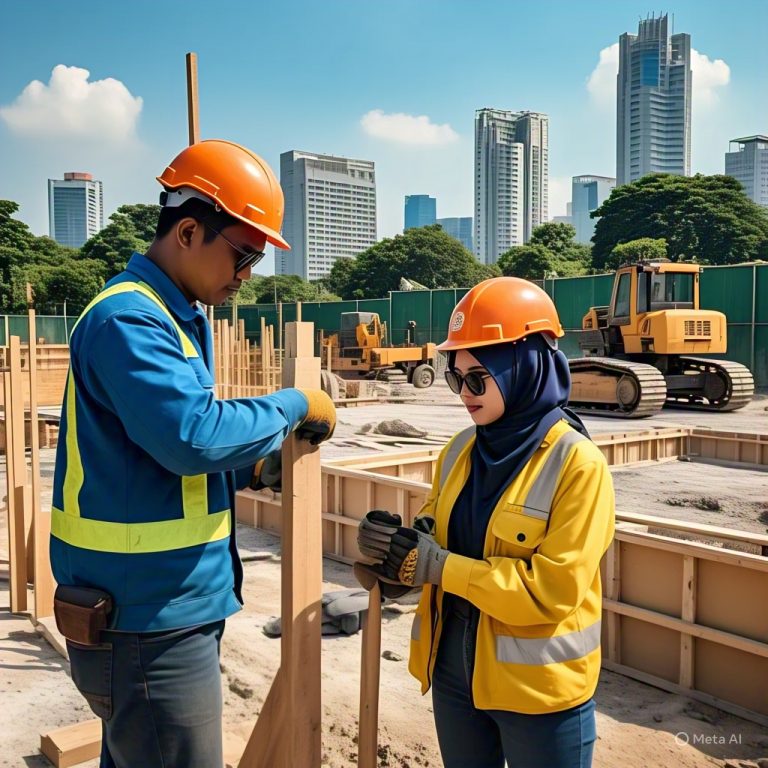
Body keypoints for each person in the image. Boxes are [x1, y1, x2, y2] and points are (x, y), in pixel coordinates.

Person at [50, 139, 336, 768]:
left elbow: (154, 459)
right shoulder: (131, 320)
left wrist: (254, 466)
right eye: (242, 254)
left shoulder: (175, 316)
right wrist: (293, 404)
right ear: (187, 231)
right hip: (146, 621)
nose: (246, 274)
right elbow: (190, 436)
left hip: (158, 609)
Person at [357, 277, 615, 768]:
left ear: (525, 368)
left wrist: (438, 567)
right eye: (457, 378)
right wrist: (399, 554)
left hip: (539, 694)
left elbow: (550, 592)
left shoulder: (577, 465)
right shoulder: (459, 450)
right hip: (454, 676)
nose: (463, 394)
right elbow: (434, 530)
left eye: (478, 379)